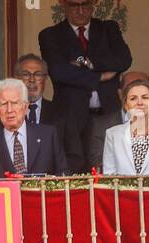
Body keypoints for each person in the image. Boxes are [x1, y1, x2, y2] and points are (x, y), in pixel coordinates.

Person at [39, 0, 131, 174]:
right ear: (64, 5)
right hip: (71, 116)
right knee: (74, 170)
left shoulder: (108, 29)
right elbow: (59, 71)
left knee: (109, 169)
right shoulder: (50, 35)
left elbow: (124, 59)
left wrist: (88, 63)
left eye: (85, 5)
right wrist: (100, 76)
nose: (80, 11)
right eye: (74, 5)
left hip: (108, 113)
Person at [0, 77, 69, 177]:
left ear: (25, 106)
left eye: (14, 103)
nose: (9, 110)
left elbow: (63, 175)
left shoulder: (48, 136)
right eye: (4, 104)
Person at [102, 78, 149, 175]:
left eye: (145, 98)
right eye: (133, 98)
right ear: (126, 106)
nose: (140, 103)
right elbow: (109, 176)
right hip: (121, 190)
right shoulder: (112, 134)